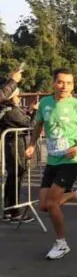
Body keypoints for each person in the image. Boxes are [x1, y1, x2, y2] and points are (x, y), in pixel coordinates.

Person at [24, 68, 77, 259]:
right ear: (54, 83)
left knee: (53, 203)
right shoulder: (46, 103)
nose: (65, 86)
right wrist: (31, 145)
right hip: (53, 159)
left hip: (71, 159)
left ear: (73, 85)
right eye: (61, 82)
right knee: (44, 206)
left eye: (69, 83)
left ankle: (61, 244)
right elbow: (38, 125)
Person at [0, 88, 37, 223]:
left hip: (13, 145)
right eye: (17, 95)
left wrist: (30, 111)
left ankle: (8, 210)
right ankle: (14, 212)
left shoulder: (10, 110)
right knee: (15, 178)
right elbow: (30, 124)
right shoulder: (11, 111)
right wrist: (36, 112)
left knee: (12, 178)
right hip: (15, 146)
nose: (20, 97)